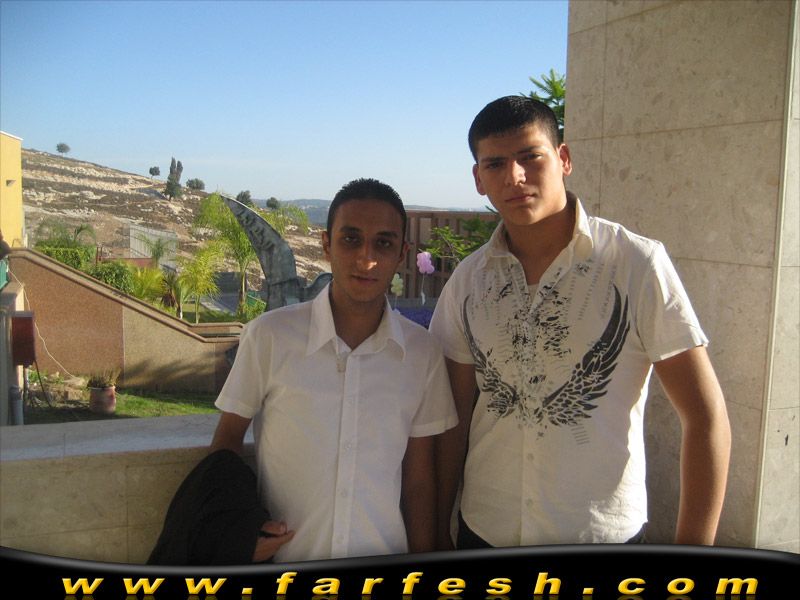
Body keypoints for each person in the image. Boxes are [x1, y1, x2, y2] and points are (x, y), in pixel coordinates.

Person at [429, 96, 731, 549]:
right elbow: (451, 421)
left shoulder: (635, 265)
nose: (514, 177)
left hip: (598, 536)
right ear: (478, 178)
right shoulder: (469, 281)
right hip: (486, 531)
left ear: (564, 158)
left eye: (530, 157)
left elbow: (705, 418)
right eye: (495, 164)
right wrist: (437, 530)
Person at [211, 178, 458, 563]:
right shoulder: (269, 336)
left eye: (383, 243)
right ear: (327, 244)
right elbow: (226, 443)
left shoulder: (421, 353)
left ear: (402, 254)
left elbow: (419, 481)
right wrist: (235, 531)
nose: (366, 259)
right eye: (351, 239)